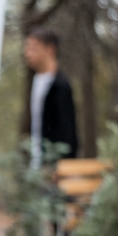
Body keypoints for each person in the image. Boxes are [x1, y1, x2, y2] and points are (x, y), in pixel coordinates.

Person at [23, 28, 78, 168]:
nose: (27, 54)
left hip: (53, 168)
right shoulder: (34, 81)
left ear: (50, 49)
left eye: (33, 48)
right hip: (35, 164)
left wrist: (60, 164)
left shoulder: (61, 86)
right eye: (27, 48)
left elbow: (67, 132)